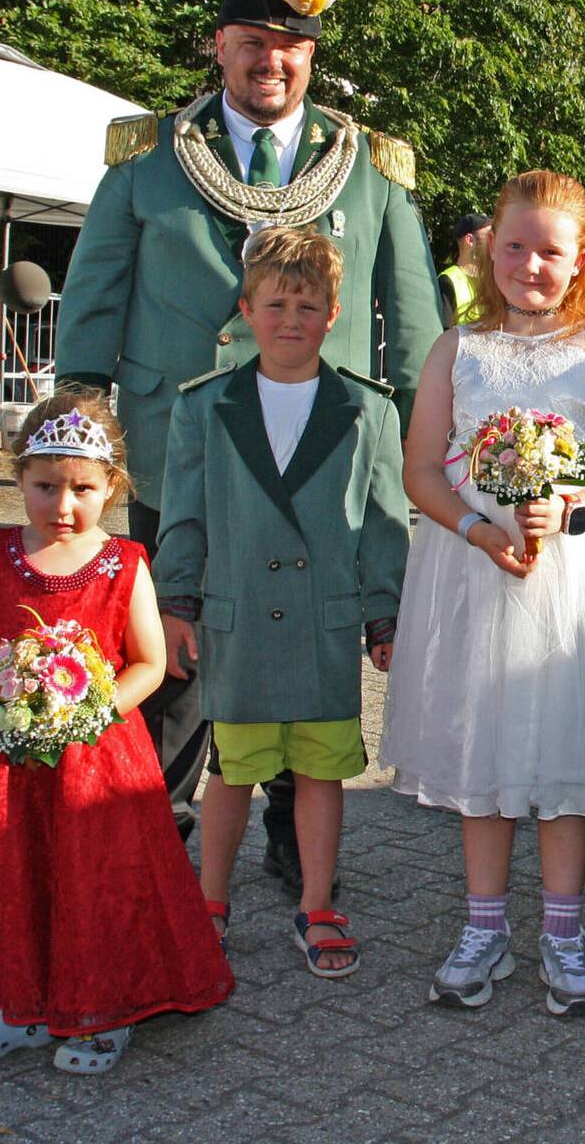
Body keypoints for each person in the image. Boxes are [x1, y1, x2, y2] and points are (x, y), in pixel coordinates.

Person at [54, 0, 444, 879]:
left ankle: (287, 831)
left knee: (305, 636)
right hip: (171, 448)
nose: (272, 59)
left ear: (312, 54)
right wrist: (84, 437)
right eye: (253, 42)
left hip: (322, 458)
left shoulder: (368, 167)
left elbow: (410, 324)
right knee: (173, 638)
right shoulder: (147, 163)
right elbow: (93, 300)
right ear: (219, 46)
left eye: (291, 45)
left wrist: (415, 452)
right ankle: (153, 825)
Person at [383, 170, 585, 1016]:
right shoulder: (455, 348)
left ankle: (565, 933)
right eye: (514, 245)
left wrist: (574, 507)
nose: (529, 264)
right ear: (485, 247)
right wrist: (476, 527)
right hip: (472, 570)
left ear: (580, 260)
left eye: (549, 251)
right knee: (483, 745)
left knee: (566, 750)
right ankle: (485, 925)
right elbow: (422, 468)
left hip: (571, 580)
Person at [0, 391, 232, 1076]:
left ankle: (109, 1007)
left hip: (99, 761)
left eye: (82, 489)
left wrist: (87, 712)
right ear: (18, 479)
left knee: (98, 882)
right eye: (44, 487)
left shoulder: (123, 563)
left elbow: (151, 663)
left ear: (112, 487)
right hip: (11, 760)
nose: (62, 506)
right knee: (18, 872)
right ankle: (20, 1003)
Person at [152, 227, 408, 978]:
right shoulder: (204, 406)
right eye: (276, 303)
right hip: (238, 622)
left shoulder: (368, 409)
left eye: (308, 304)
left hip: (324, 622)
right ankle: (210, 900)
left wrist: (382, 614)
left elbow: (386, 525)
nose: (291, 318)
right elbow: (185, 515)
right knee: (232, 769)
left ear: (334, 314)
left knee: (321, 774)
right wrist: (176, 603)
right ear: (245, 309)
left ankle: (319, 902)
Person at [439, 212, 491, 325]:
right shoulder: (447, 281)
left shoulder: (494, 280)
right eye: (489, 236)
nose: (494, 241)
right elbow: (443, 333)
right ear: (470, 240)